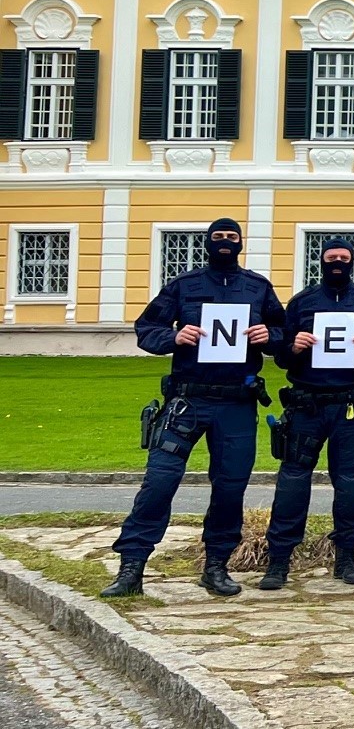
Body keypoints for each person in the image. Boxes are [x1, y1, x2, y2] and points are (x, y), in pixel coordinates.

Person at [102, 218, 286, 599]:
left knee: (230, 488)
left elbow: (283, 336)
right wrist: (174, 336)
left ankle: (216, 566)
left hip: (236, 402)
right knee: (159, 482)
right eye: (218, 237)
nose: (225, 243)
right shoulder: (184, 286)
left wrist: (270, 336)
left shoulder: (257, 287)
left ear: (241, 243)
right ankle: (131, 567)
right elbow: (146, 329)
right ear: (207, 242)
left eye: (231, 238)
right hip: (187, 402)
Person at [260, 237, 354, 589]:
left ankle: (347, 556)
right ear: (321, 261)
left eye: (343, 257)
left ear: (352, 261)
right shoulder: (303, 301)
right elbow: (281, 353)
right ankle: (278, 562)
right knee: (292, 482)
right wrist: (293, 346)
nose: (337, 262)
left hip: (352, 405)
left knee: (351, 484)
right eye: (331, 257)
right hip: (307, 404)